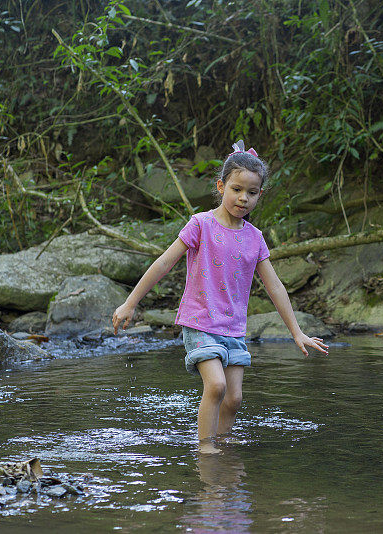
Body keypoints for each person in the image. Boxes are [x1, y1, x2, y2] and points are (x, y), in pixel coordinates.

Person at [112, 140, 328, 452]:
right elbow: (163, 262)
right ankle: (205, 448)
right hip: (200, 321)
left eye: (251, 192)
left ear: (259, 195)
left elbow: (275, 286)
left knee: (234, 398)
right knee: (215, 385)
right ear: (221, 186)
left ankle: (223, 444)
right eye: (236, 189)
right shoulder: (201, 224)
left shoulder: (255, 239)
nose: (243, 198)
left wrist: (297, 332)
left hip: (233, 328)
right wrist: (130, 302)